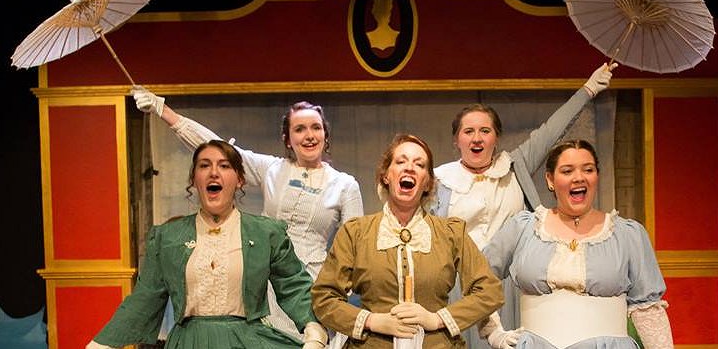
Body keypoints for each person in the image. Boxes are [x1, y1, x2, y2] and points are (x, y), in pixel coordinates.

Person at [133, 90, 364, 336]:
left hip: (314, 287)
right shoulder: (272, 170)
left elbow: (354, 247)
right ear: (288, 139)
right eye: (300, 129)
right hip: (264, 285)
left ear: (325, 135)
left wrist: (337, 292)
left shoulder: (344, 184)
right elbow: (217, 149)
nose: (309, 135)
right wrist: (163, 111)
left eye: (315, 128)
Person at [430, 62, 618, 345]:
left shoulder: (515, 166)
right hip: (458, 286)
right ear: (457, 140)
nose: (477, 138)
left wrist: (588, 89)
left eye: (485, 130)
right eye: (468, 131)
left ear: (496, 137)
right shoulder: (438, 180)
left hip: (509, 287)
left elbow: (551, 130)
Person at [86, 140, 328, 349]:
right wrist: (101, 344)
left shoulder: (266, 233)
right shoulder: (167, 237)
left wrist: (314, 329)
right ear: (194, 179)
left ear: (240, 180)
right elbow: (145, 298)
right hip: (190, 341)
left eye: (224, 166)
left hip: (247, 340)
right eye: (204, 165)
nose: (214, 172)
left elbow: (293, 286)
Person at [311, 134, 504, 348]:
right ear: (386, 176)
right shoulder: (356, 232)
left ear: (427, 183)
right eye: (401, 161)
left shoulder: (451, 233)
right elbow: (324, 297)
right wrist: (372, 320)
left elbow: (490, 291)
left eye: (419, 164)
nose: (410, 168)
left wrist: (438, 319)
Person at [481, 139, 673, 349]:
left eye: (588, 169)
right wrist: (494, 333)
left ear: (596, 176)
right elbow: (478, 278)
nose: (579, 177)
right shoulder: (523, 228)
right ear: (550, 179)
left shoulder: (628, 235)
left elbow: (648, 310)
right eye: (567, 171)